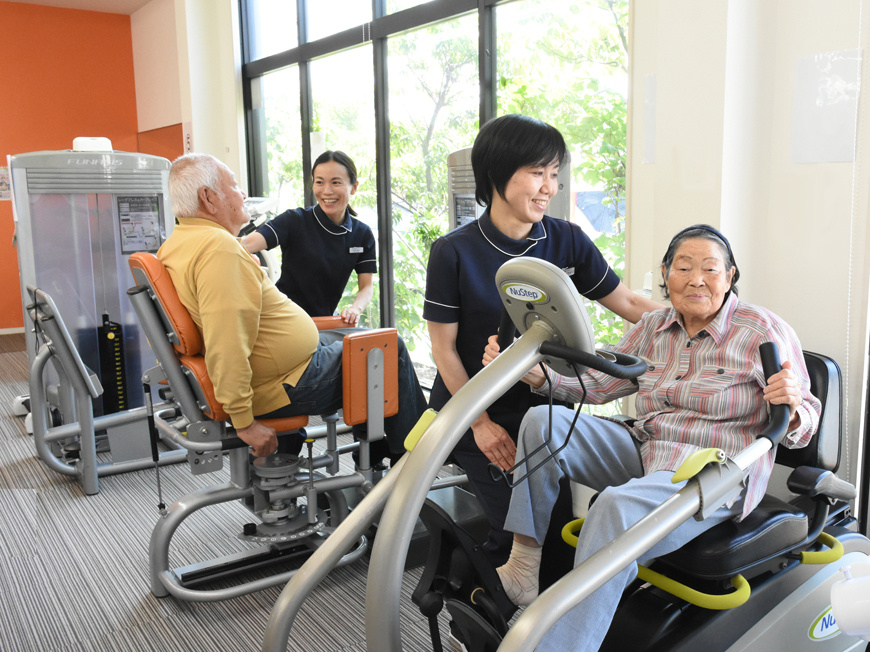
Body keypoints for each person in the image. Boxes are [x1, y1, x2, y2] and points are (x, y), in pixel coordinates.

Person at [485, 224, 822, 651]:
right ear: (666, 273)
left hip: (713, 469)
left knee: (613, 507)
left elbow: (805, 416)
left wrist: (792, 405)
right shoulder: (653, 326)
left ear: (730, 276)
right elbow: (599, 385)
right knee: (541, 421)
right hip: (647, 447)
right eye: (683, 267)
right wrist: (539, 376)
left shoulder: (761, 329)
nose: (696, 279)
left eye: (710, 269)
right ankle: (523, 566)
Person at [423, 114, 664, 563]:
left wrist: (704, 318)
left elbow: (630, 304)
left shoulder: (567, 239)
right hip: (475, 410)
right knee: (520, 535)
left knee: (553, 536)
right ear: (496, 173)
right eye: (537, 173)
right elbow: (443, 349)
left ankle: (517, 619)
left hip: (549, 409)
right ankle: (471, 609)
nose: (548, 187)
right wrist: (481, 426)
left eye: (553, 174)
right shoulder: (454, 251)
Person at [158, 153, 426, 461]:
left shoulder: (178, 243)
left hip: (288, 357)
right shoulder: (221, 249)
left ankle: (383, 444)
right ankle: (416, 457)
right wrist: (244, 422)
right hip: (287, 380)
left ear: (353, 187)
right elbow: (226, 342)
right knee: (388, 350)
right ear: (208, 197)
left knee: (371, 340)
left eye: (336, 182)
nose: (242, 193)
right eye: (234, 185)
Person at [241, 150, 375, 325]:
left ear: (354, 187)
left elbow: (367, 286)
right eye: (319, 182)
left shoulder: (362, 234)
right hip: (283, 319)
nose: (327, 191)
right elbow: (246, 245)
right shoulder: (294, 220)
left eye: (336, 182)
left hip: (323, 323)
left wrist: (355, 309)